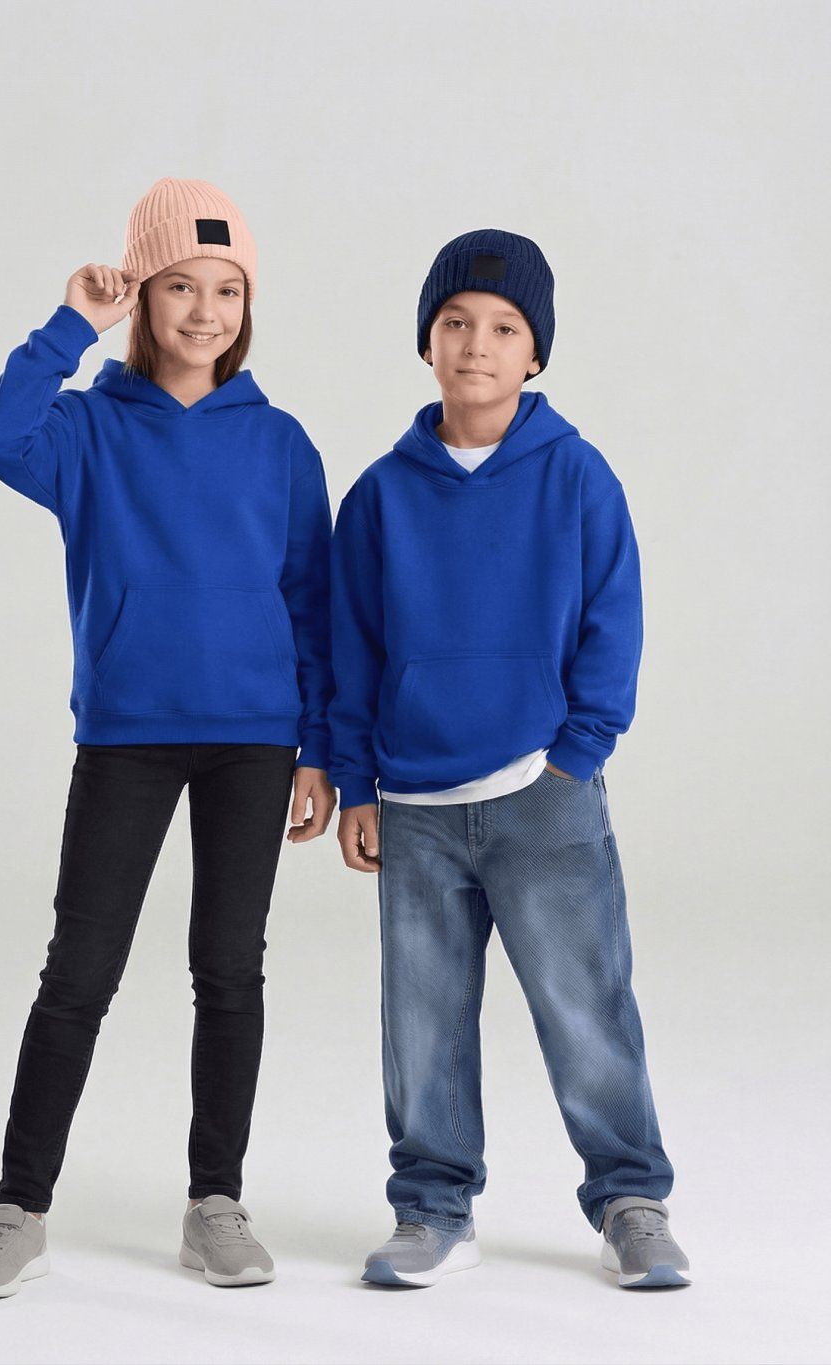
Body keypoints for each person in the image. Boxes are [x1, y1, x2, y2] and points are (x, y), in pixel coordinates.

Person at [0, 178, 336, 1297]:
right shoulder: (84, 429)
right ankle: (18, 1208)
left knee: (230, 971)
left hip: (255, 741)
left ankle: (216, 1202)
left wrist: (319, 749)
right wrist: (72, 323)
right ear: (144, 296)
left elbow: (312, 601)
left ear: (247, 305)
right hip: (128, 734)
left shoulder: (281, 443)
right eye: (179, 287)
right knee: (79, 972)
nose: (205, 311)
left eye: (227, 290)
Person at [328, 229, 690, 1290]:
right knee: (422, 1021)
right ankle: (432, 1208)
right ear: (426, 342)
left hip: (544, 794)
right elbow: (350, 649)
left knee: (586, 1008)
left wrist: (576, 753)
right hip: (415, 803)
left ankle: (631, 1200)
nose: (476, 345)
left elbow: (613, 622)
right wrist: (356, 783)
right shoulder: (380, 496)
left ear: (535, 353)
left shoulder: (576, 476)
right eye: (455, 323)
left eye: (502, 327)